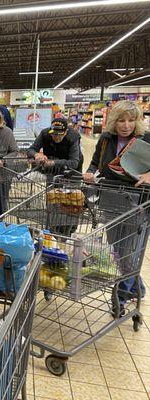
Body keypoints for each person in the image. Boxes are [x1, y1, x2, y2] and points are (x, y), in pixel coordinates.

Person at [83, 101, 150, 312]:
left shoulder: (145, 139)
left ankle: (120, 297)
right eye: (121, 120)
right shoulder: (105, 139)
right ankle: (137, 288)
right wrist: (90, 174)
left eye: (131, 120)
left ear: (138, 121)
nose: (126, 125)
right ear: (113, 121)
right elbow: (95, 163)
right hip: (111, 200)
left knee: (129, 253)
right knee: (119, 250)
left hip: (137, 203)